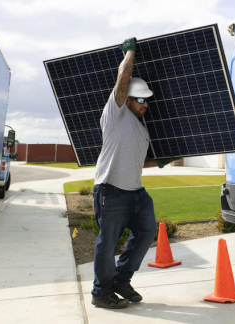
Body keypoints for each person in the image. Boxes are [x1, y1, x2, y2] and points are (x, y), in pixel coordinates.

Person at [91, 37, 157, 309]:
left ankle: (121, 279)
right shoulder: (115, 114)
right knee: (107, 245)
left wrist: (161, 163)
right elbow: (122, 81)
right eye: (140, 99)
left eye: (147, 101)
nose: (145, 104)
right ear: (126, 99)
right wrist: (129, 53)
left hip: (136, 192)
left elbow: (136, 161)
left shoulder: (141, 127)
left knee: (146, 231)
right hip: (111, 190)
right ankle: (101, 292)